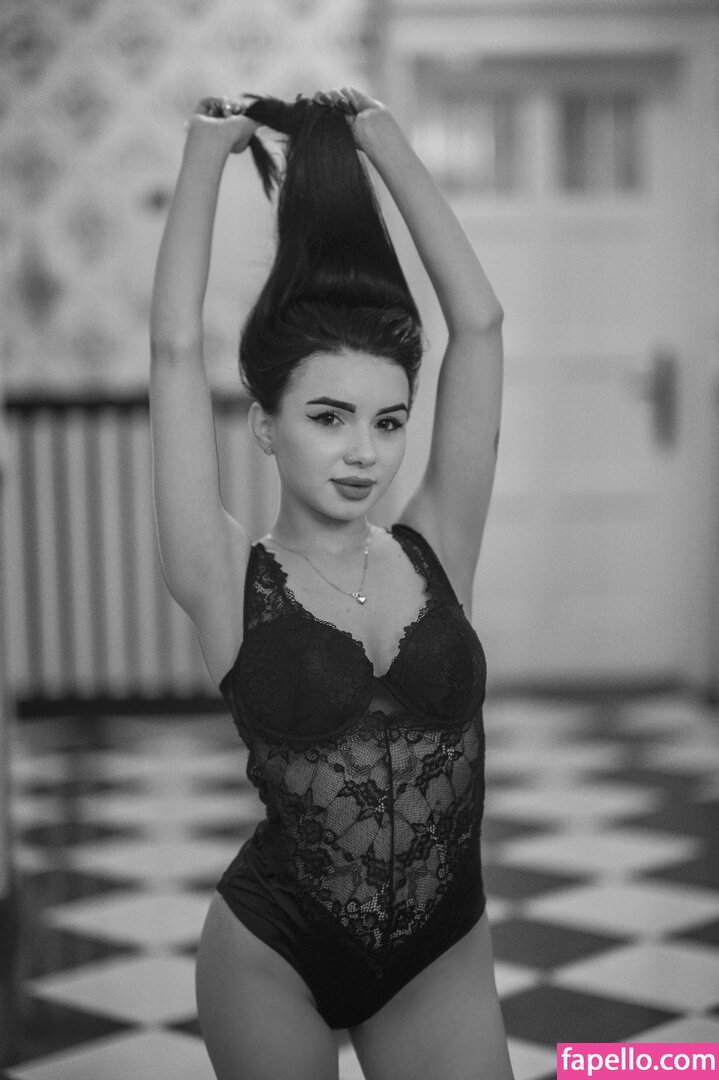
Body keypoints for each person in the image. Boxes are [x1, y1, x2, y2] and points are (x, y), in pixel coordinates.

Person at [149, 86, 512, 1080]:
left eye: (388, 422)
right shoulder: (224, 575)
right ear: (264, 425)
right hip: (274, 957)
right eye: (327, 417)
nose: (363, 453)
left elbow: (478, 325)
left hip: (439, 951)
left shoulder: (436, 544)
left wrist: (382, 141)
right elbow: (174, 348)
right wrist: (204, 156)